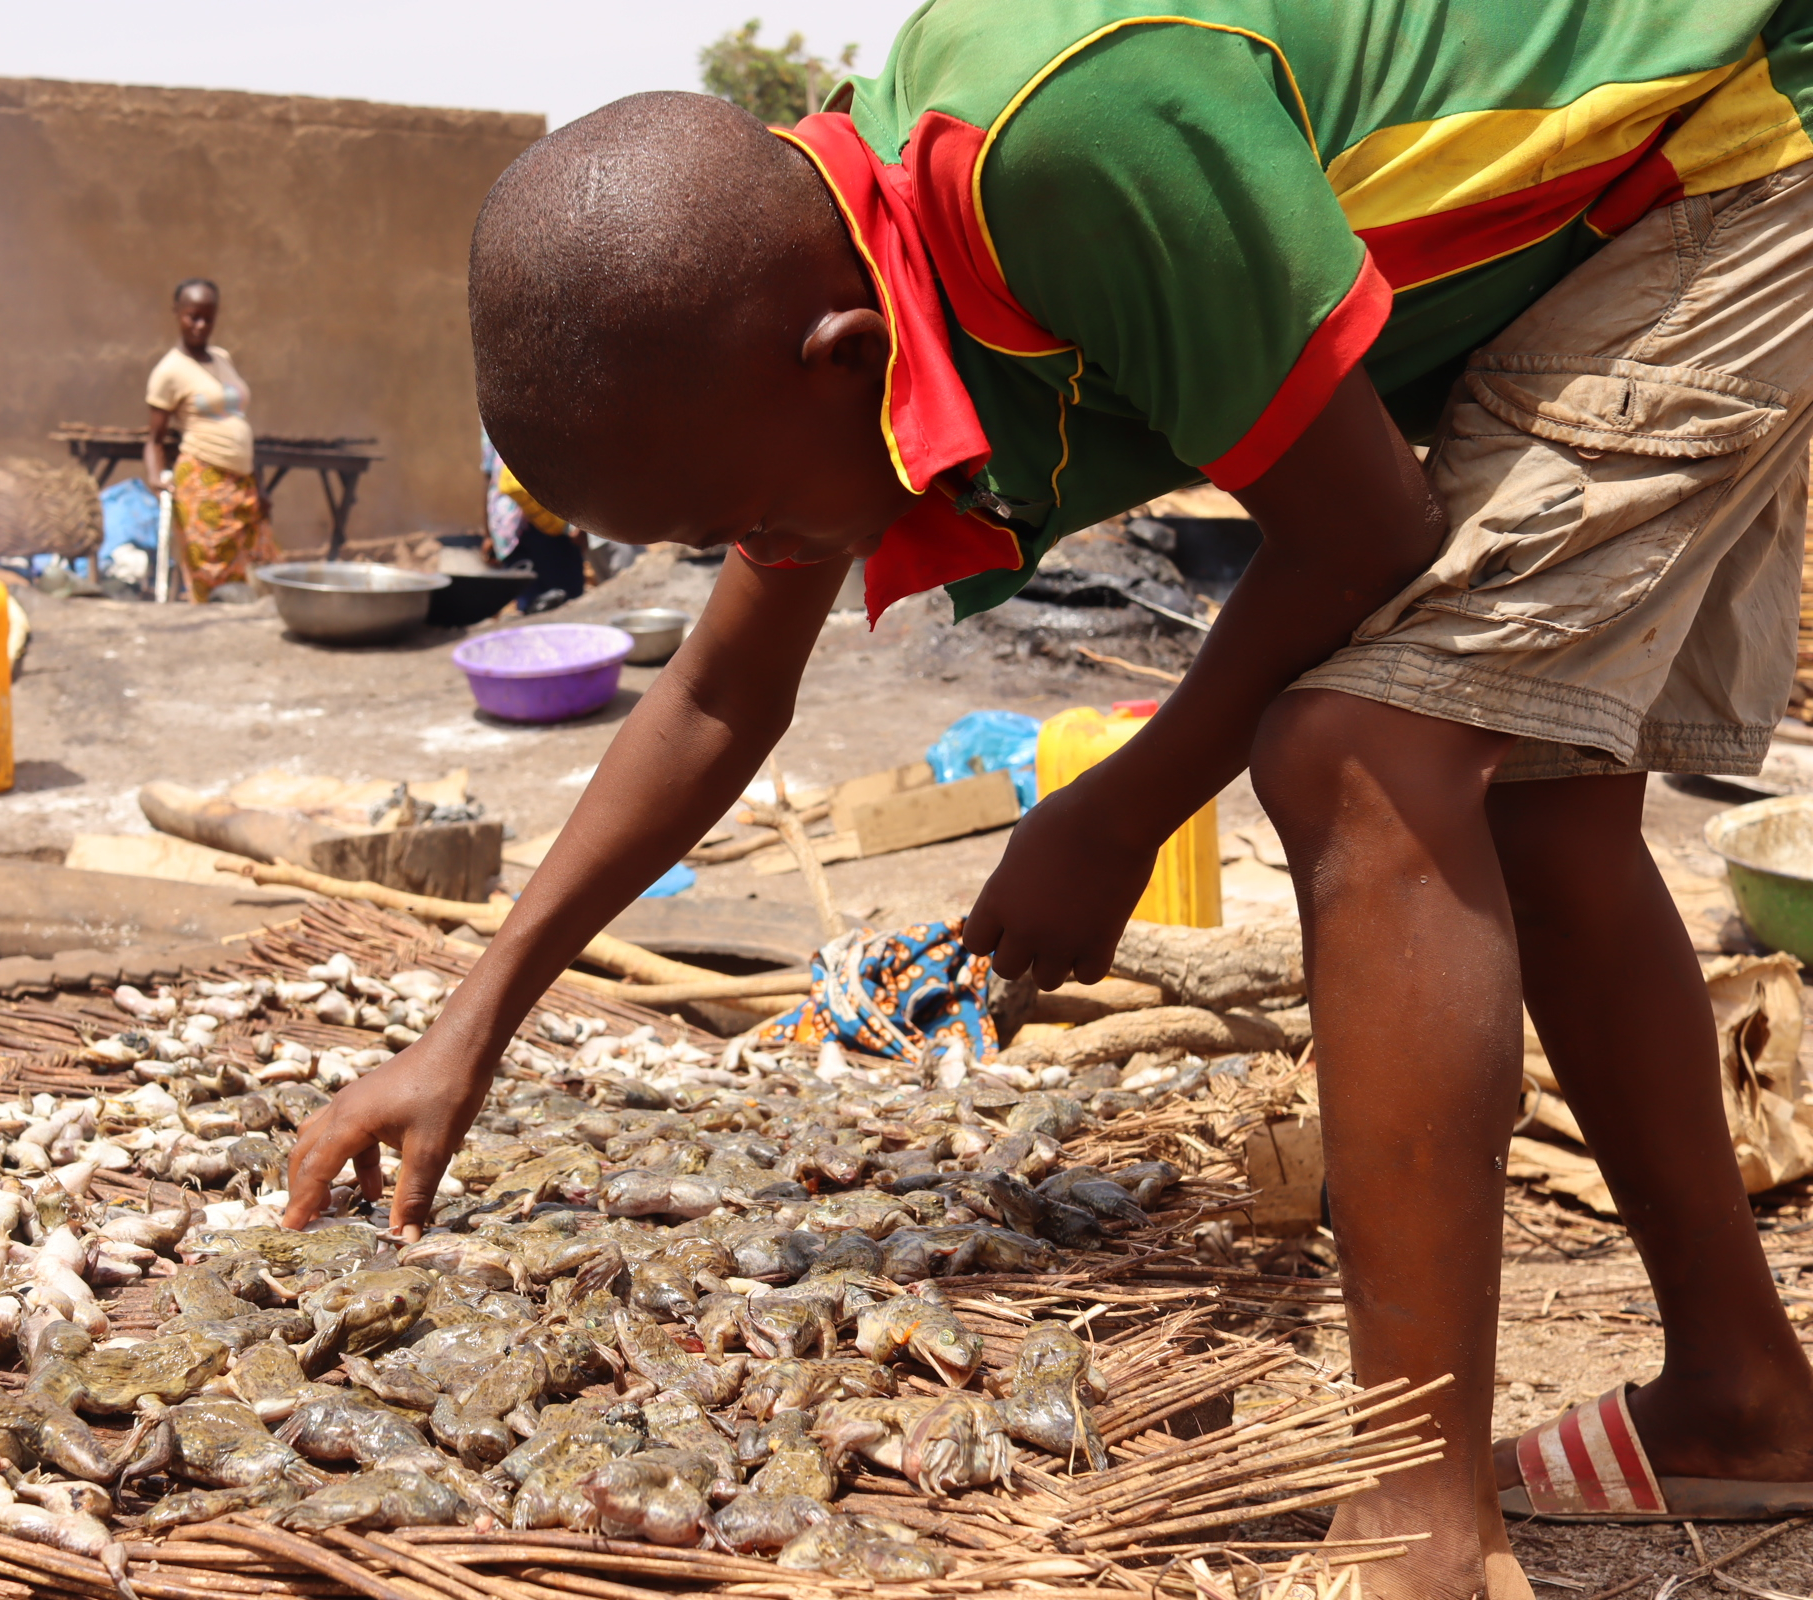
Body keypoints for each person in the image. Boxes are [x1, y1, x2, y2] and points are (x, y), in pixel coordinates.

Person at [283, 7, 1813, 1596]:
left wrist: (1122, 807)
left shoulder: (1079, 149)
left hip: (1725, 148)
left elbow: (1365, 528)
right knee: (1539, 808)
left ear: (843, 364)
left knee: (1360, 750)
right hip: (1595, 206)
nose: (773, 552)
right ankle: (1747, 1402)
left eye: (750, 518)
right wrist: (469, 1024)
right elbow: (718, 692)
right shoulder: (812, 266)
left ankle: (1416, 1524)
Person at [143, 278, 277, 601]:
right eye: (193, 316)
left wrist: (259, 485)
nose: (201, 325)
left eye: (208, 316)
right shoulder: (169, 371)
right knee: (213, 569)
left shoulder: (221, 358)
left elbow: (238, 422)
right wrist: (154, 478)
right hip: (204, 482)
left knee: (253, 567)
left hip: (242, 483)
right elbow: (155, 439)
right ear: (177, 313)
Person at [482, 432, 587, 611]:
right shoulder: (551, 406)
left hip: (505, 524)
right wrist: (583, 520)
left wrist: (488, 532)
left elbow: (488, 473)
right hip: (549, 516)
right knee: (570, 606)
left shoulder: (487, 409)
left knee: (531, 608)